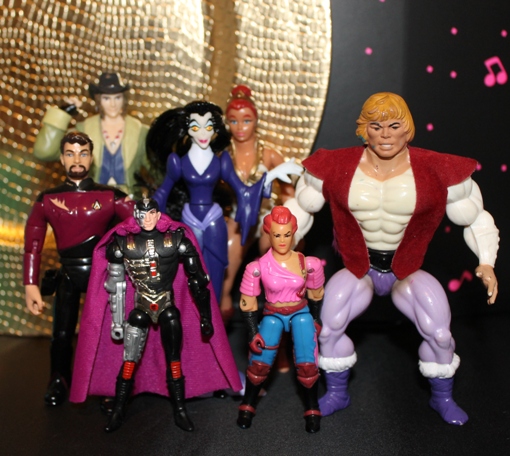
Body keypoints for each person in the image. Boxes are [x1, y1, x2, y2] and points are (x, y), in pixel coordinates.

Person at [284, 92, 499, 425]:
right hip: (359, 267)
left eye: (394, 126)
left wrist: (486, 261)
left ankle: (442, 397)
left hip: (407, 270)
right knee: (327, 331)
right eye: (376, 126)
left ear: (407, 129)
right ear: (364, 130)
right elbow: (300, 209)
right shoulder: (335, 166)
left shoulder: (437, 169)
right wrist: (281, 249)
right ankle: (338, 393)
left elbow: (475, 218)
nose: (385, 134)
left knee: (441, 336)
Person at [69, 197, 242, 432]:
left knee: (174, 358)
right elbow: (115, 286)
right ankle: (118, 409)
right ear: (136, 216)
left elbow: (198, 282)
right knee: (129, 359)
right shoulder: (122, 243)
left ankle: (179, 409)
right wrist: (117, 322)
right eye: (142, 214)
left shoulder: (176, 240)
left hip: (166, 304)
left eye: (151, 213)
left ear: (158, 215)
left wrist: (205, 317)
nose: (147, 218)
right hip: (140, 306)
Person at [147, 100, 301, 304]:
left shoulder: (222, 161)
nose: (203, 133)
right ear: (188, 130)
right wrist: (146, 211)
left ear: (215, 129)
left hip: (214, 219)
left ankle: (215, 314)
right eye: (196, 127)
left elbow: (244, 191)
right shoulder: (178, 162)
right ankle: (190, 317)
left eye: (208, 126)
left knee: (217, 271)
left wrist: (270, 177)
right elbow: (163, 192)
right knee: (187, 271)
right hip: (190, 220)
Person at [23, 131, 135, 406]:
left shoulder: (110, 196)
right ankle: (59, 379)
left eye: (83, 153)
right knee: (61, 333)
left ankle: (108, 381)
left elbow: (140, 225)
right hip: (67, 273)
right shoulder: (47, 199)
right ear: (62, 158)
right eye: (70, 153)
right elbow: (33, 244)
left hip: (103, 273)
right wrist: (30, 283)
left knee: (110, 330)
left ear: (91, 157)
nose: (77, 160)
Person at [236, 206, 325, 433]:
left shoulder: (308, 263)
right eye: (277, 235)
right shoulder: (257, 267)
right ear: (269, 234)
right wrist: (252, 331)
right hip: (273, 314)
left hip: (300, 313)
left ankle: (312, 408)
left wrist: (316, 319)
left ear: (294, 233)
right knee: (259, 363)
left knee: (307, 364)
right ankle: (248, 404)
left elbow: (316, 293)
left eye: (287, 234)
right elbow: (248, 302)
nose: (282, 240)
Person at [220, 85, 295, 322]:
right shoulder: (224, 156)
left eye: (246, 120)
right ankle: (221, 310)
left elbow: (288, 191)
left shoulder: (269, 154)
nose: (240, 127)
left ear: (256, 121)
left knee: (274, 254)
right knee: (227, 257)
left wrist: (288, 217)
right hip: (237, 216)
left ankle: (281, 310)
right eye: (233, 121)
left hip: (265, 215)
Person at [33, 72, 149, 196]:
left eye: (117, 97)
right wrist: (62, 113)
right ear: (99, 100)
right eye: (106, 98)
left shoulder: (140, 132)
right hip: (92, 200)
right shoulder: (84, 130)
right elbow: (44, 151)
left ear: (124, 99)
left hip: (129, 200)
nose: (113, 104)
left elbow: (156, 170)